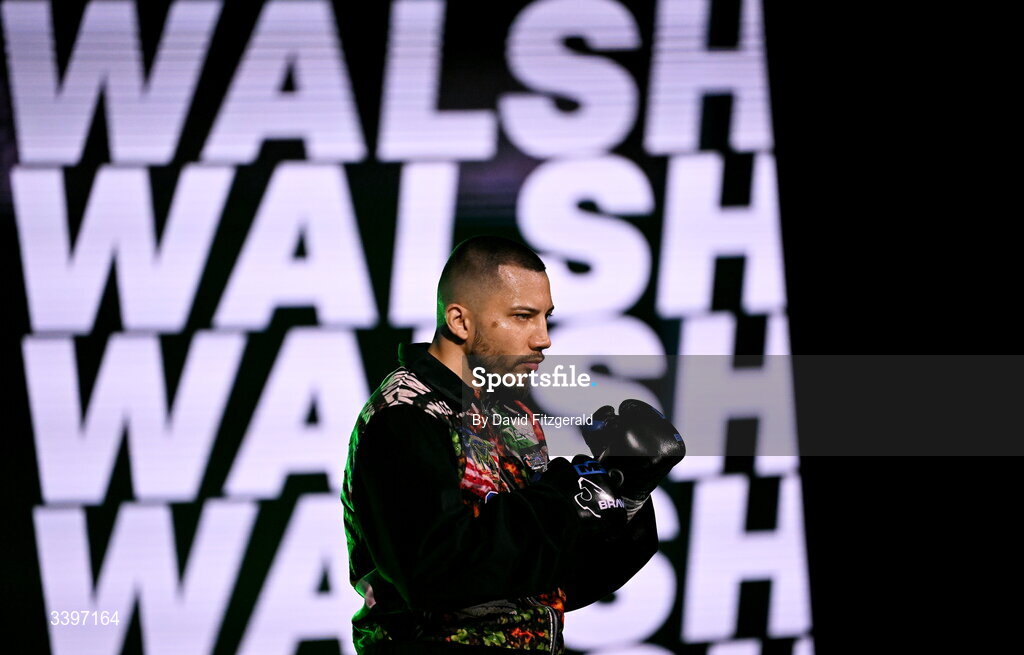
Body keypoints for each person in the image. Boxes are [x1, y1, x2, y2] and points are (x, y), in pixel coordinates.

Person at [341, 235, 685, 654]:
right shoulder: (405, 416)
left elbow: (550, 585)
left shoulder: (513, 417)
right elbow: (432, 575)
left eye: (546, 318)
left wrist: (624, 495)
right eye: (523, 316)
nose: (543, 339)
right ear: (460, 322)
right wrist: (566, 493)